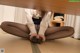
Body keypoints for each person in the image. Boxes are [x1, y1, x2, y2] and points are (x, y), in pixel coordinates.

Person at [0, 8, 74, 44]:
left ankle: (42, 38)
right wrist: (33, 32)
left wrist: (41, 33)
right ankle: (31, 36)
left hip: (45, 29)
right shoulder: (29, 4)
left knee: (71, 30)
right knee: (4, 25)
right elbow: (28, 17)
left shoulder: (48, 4)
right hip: (29, 28)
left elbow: (45, 21)